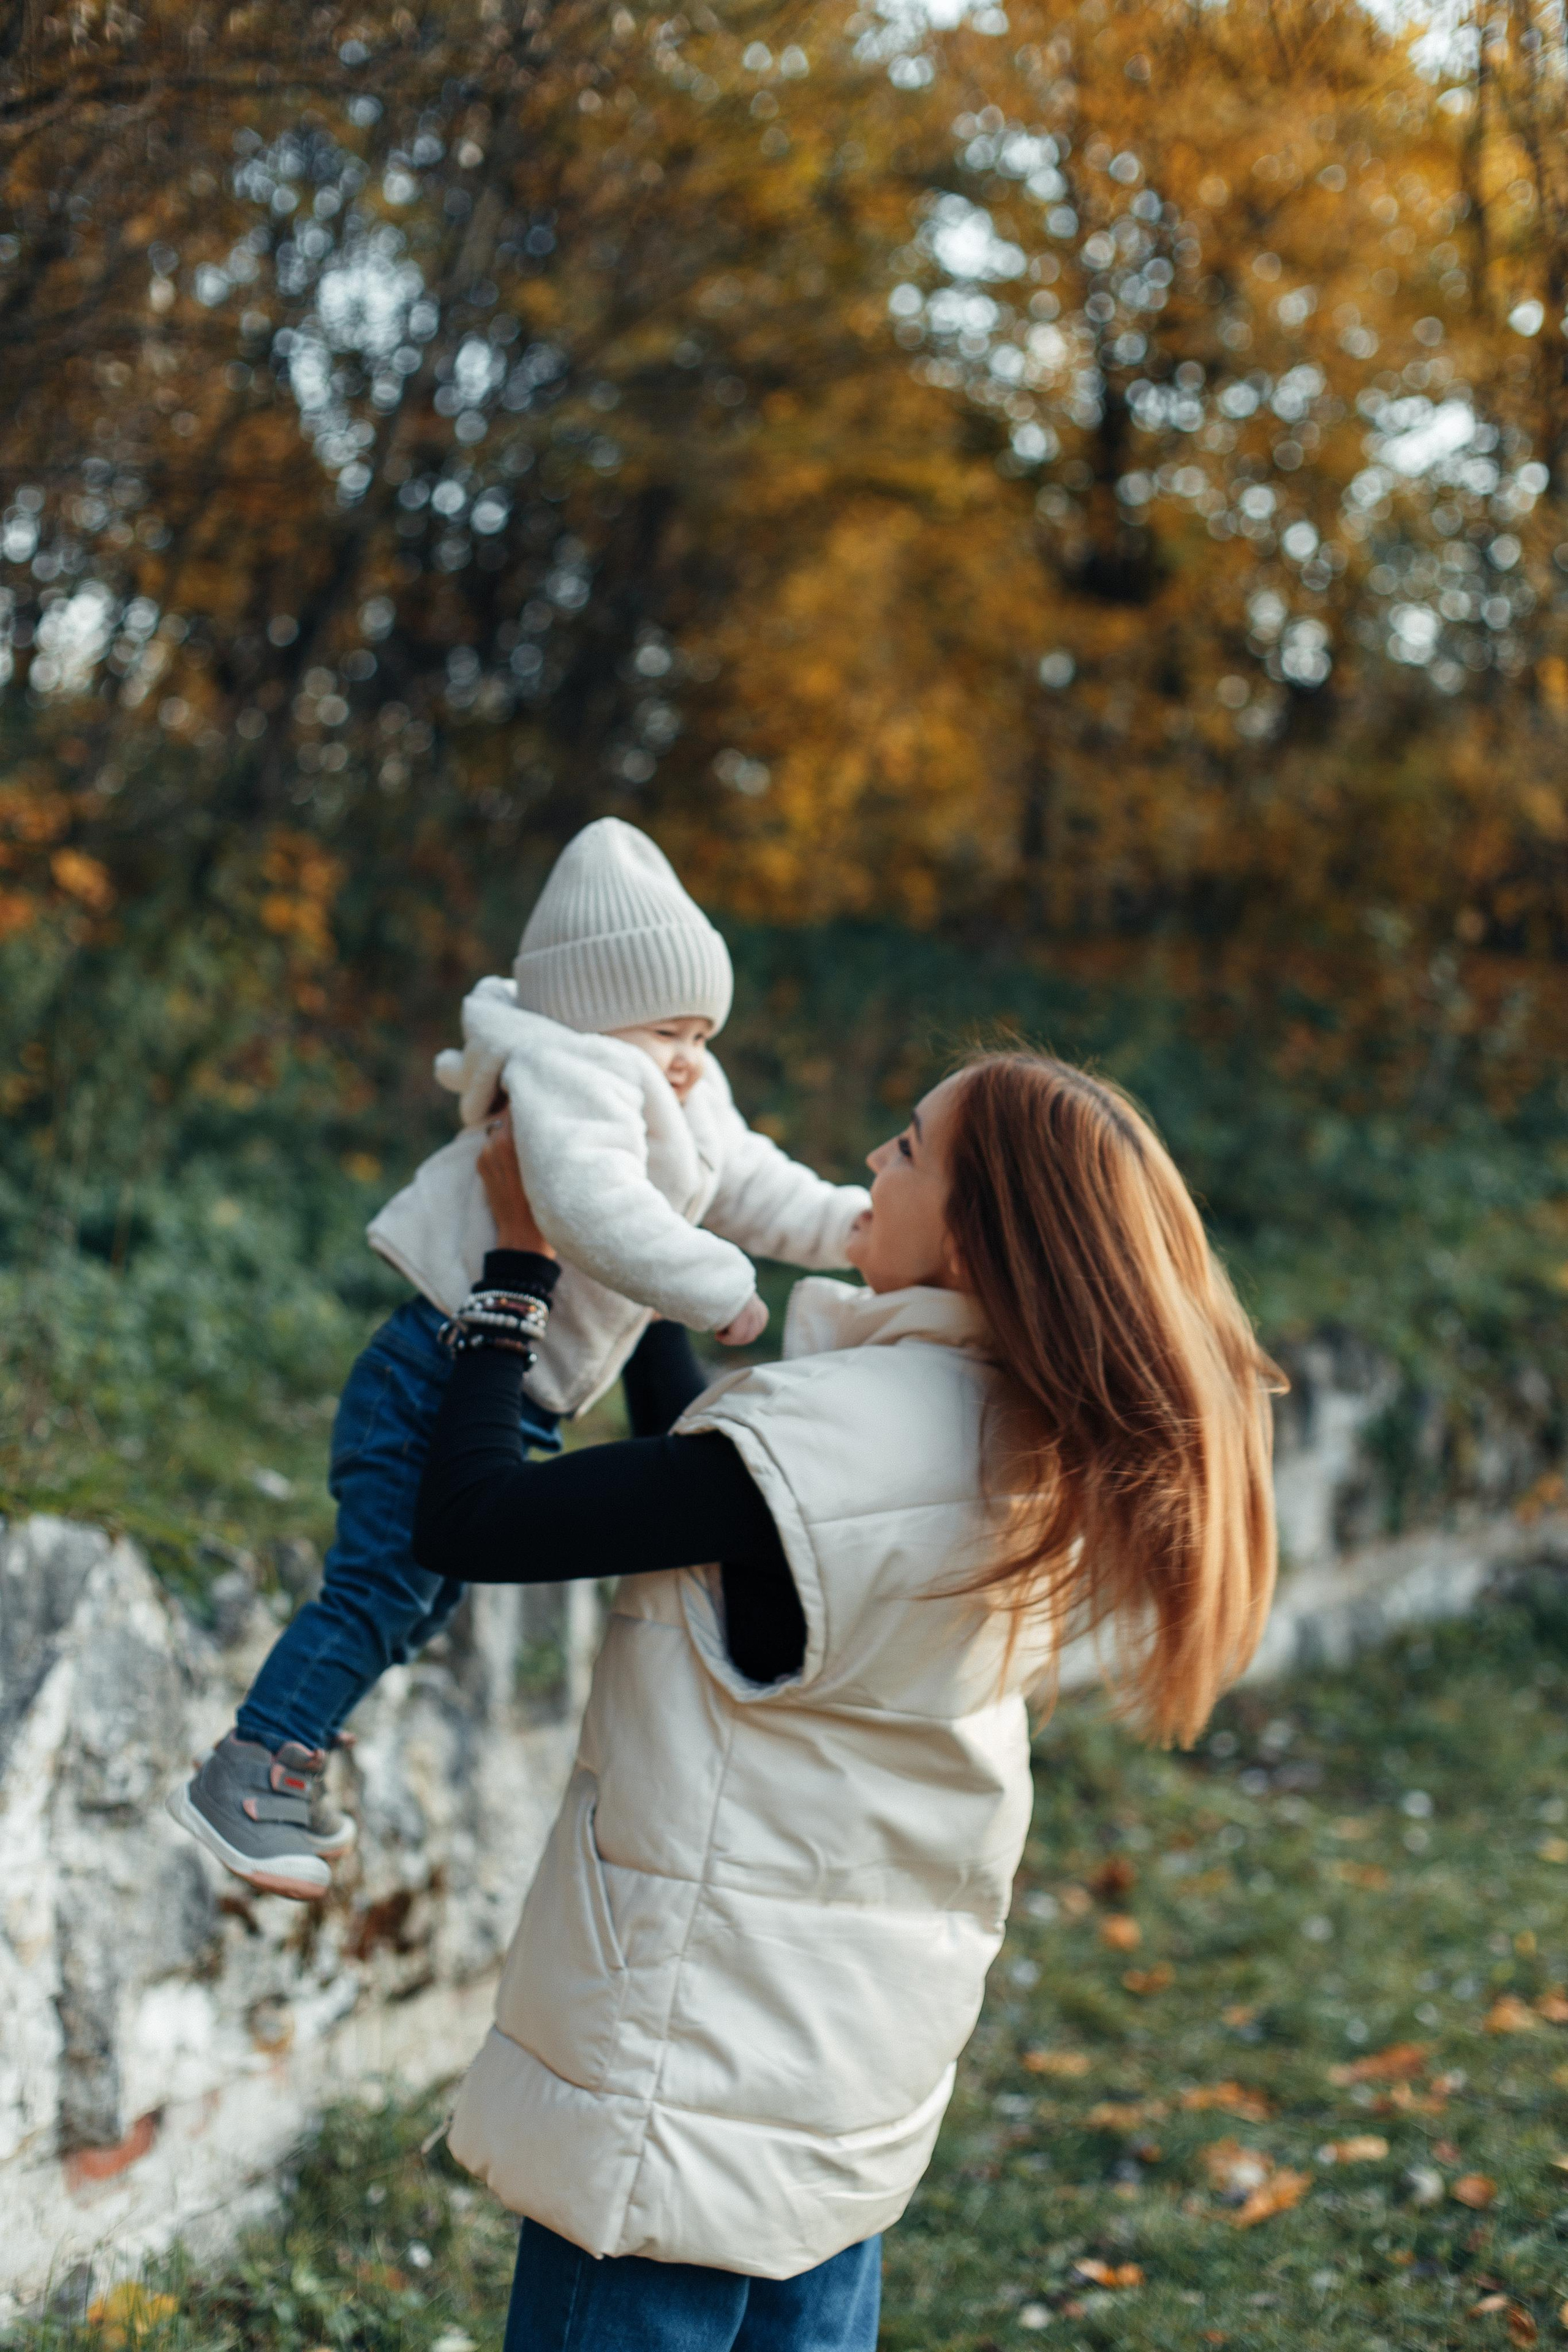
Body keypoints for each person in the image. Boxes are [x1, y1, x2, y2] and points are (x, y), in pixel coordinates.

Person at [411, 1049, 1283, 2352]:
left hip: (682, 2116)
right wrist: (638, 1240)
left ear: (979, 1237)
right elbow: (710, 1482)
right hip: (831, 2110)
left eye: (907, 1146)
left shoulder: (840, 1448)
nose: (872, 1164)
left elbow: (470, 1517)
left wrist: (522, 1262)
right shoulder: (1027, 1442)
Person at [165, 819, 868, 1901]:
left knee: (414, 1604)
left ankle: (292, 1752)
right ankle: (249, 1771)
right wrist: (719, 1285)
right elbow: (594, 1211)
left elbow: (752, 1180)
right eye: (668, 1030)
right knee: (373, 1593)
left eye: (702, 1031)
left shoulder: (677, 1079)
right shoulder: (570, 1075)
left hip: (500, 1388)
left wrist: (848, 1229)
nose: (690, 1056)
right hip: (433, 1375)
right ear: (595, 1015)